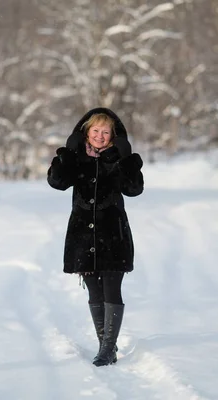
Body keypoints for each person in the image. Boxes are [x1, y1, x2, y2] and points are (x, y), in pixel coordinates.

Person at [47, 107, 144, 366]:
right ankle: (105, 347)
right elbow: (56, 182)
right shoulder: (77, 158)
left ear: (113, 135)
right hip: (82, 234)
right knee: (93, 290)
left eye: (105, 132)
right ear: (86, 133)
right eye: (95, 131)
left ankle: (108, 348)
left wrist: (125, 158)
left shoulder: (119, 158)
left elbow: (134, 189)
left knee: (112, 287)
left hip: (113, 234)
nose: (100, 136)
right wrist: (66, 154)